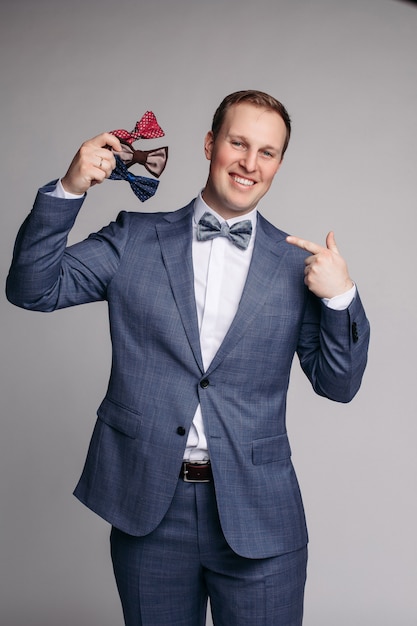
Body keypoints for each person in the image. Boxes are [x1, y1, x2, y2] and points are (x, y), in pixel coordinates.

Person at [6, 90, 370, 626]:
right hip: (149, 508)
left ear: (279, 163)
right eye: (238, 143)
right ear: (209, 144)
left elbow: (339, 385)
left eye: (267, 152)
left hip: (260, 515)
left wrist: (340, 296)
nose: (250, 163)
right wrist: (69, 188)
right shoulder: (134, 238)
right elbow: (32, 288)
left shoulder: (297, 267)